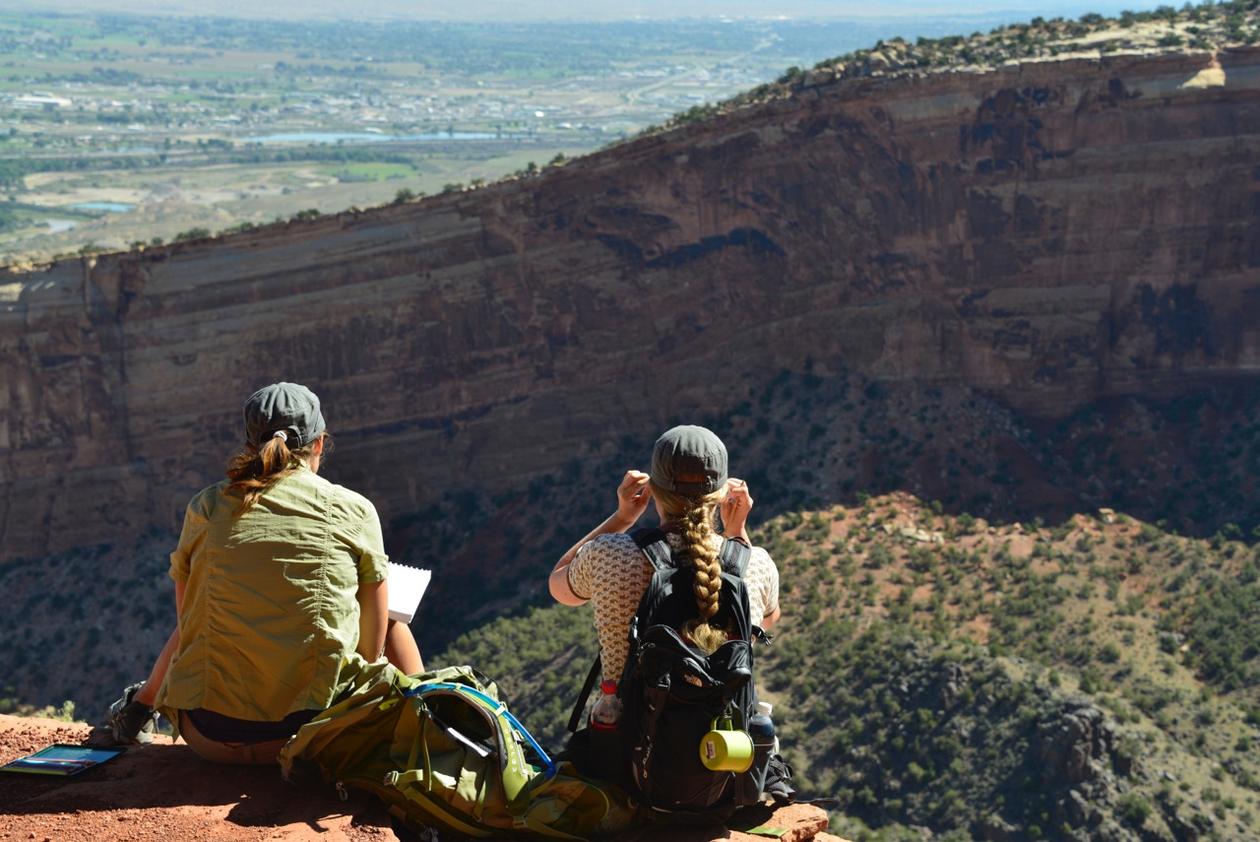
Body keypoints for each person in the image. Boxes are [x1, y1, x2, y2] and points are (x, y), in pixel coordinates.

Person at [107, 382, 424, 763]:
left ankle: (138, 710)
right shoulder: (353, 509)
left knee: (205, 611)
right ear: (319, 443)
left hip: (209, 735)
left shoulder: (207, 507)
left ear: (250, 444)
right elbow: (370, 652)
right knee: (390, 620)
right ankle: (423, 733)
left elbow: (187, 621)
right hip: (316, 738)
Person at [548, 425, 781, 683]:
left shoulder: (610, 554)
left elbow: (559, 584)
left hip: (630, 721)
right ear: (723, 493)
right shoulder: (757, 564)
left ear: (654, 489)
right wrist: (737, 534)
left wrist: (622, 517)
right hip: (723, 723)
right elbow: (766, 620)